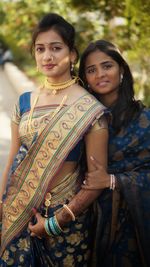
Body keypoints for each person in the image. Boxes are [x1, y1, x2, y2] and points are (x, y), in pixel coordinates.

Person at [0, 14, 109, 266]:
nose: (47, 56)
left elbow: (96, 180)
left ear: (72, 54)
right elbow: (12, 159)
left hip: (66, 221)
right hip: (19, 211)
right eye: (40, 49)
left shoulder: (89, 109)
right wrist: (2, 202)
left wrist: (55, 223)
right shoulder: (25, 102)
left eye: (56, 48)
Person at [79, 39, 150, 267]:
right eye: (91, 70)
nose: (100, 74)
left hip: (132, 228)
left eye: (107, 65)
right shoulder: (81, 121)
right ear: (85, 79)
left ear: (121, 70)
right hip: (86, 222)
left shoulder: (145, 120)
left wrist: (112, 180)